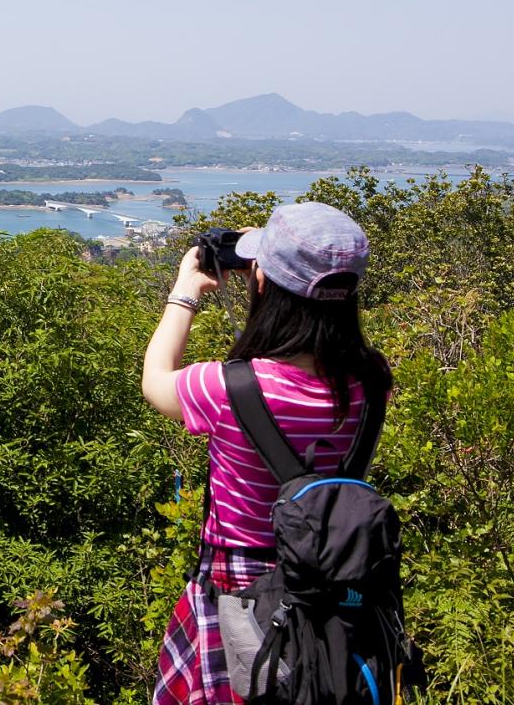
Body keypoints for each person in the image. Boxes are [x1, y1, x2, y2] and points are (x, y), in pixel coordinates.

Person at [140, 202, 393, 705]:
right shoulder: (372, 382)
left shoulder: (227, 388)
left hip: (238, 595)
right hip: (334, 600)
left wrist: (185, 292)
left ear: (264, 285)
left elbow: (154, 380)